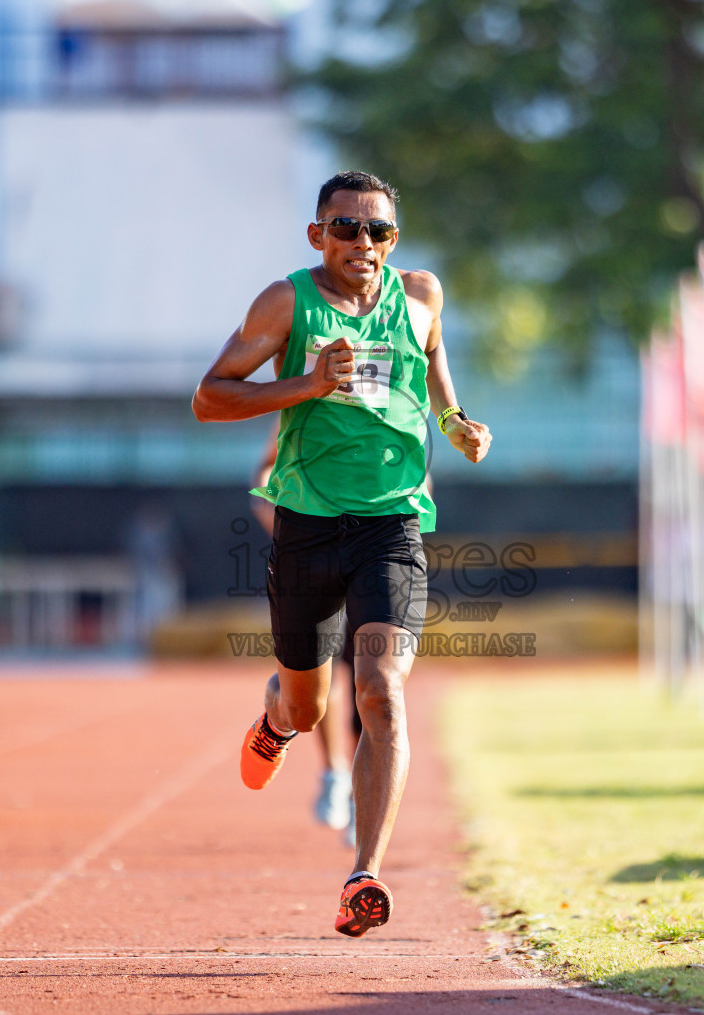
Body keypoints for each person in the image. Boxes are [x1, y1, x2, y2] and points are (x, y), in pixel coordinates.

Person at [194, 171, 492, 937]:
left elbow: (434, 372)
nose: (364, 244)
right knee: (308, 702)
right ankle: (277, 718)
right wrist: (305, 384)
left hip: (393, 525)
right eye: (348, 229)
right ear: (317, 234)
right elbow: (210, 397)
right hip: (306, 522)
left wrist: (457, 424)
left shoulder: (421, 294)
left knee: (381, 693)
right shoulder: (287, 303)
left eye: (379, 231)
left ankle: (364, 874)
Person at [252, 423, 358, 837]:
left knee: (375, 683)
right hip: (314, 551)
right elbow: (265, 467)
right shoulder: (307, 391)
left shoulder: (396, 391)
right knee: (321, 678)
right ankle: (335, 775)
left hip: (374, 552)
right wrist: (275, 512)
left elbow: (417, 471)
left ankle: (358, 793)